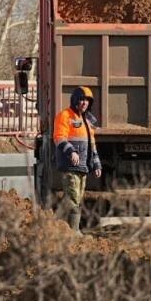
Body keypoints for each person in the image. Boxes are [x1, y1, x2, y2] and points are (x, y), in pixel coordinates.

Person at [53, 86, 101, 230]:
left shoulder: (88, 120)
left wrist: (97, 164)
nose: (84, 103)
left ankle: (54, 225)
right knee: (73, 198)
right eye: (81, 99)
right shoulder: (64, 116)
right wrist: (71, 152)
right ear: (74, 100)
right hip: (70, 166)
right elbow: (59, 138)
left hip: (83, 167)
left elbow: (92, 144)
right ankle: (74, 231)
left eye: (87, 100)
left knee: (74, 199)